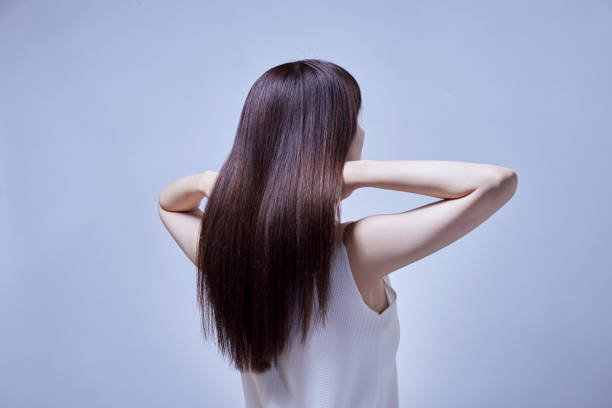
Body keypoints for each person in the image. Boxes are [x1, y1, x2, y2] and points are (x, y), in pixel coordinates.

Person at [158, 59, 518, 407]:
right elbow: (496, 182)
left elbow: (169, 205)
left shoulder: (227, 253)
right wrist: (353, 173)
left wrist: (208, 182)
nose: (362, 131)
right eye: (355, 120)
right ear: (333, 138)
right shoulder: (356, 249)